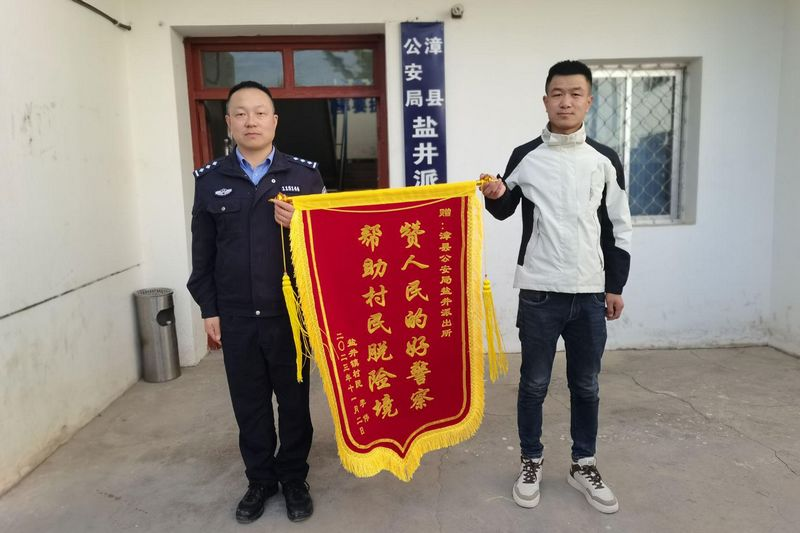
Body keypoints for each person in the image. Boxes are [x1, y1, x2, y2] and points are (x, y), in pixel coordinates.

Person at [480, 60, 632, 514]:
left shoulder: (604, 159)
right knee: (534, 384)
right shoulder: (526, 154)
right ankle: (531, 462)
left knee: (586, 385)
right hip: (540, 292)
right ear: (545, 100)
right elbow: (505, 206)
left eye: (575, 93)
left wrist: (614, 285)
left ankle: (583, 464)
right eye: (557, 94)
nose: (566, 102)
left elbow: (618, 225)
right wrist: (494, 195)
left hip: (590, 291)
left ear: (589, 101)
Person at [187, 80, 324, 524]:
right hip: (237, 315)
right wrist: (209, 309)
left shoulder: (305, 176)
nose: (252, 121)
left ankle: (294, 478)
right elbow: (203, 254)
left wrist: (302, 224)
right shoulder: (211, 180)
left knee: (294, 403)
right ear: (228, 122)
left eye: (260, 112)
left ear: (274, 121)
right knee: (249, 405)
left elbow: (330, 247)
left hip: (291, 316)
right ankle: (260, 480)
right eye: (241, 113)